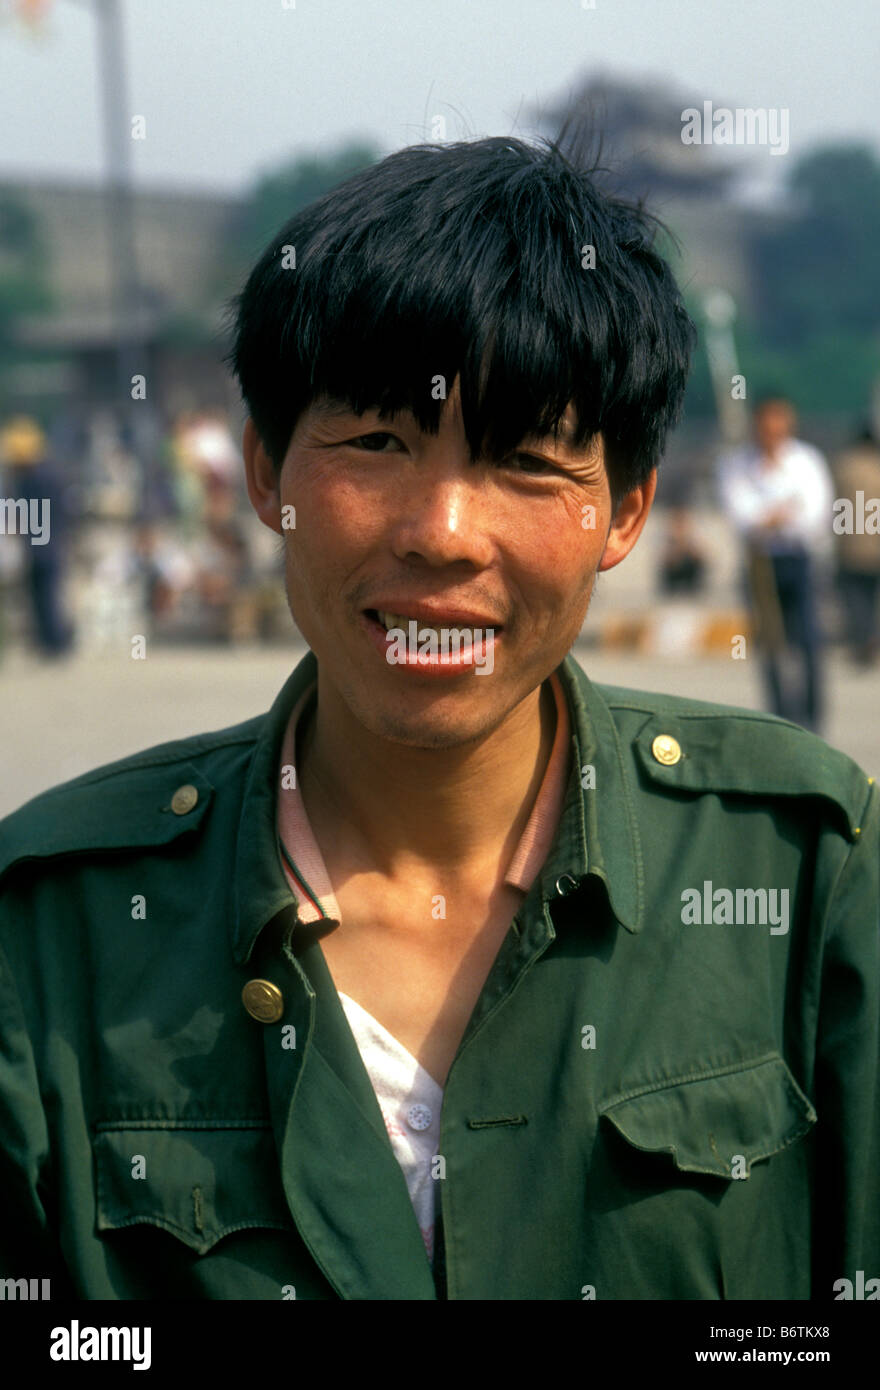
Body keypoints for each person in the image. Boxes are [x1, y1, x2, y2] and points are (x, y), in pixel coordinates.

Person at [0, 137, 876, 1302]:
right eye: (376, 444)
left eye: (524, 460)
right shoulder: (54, 928)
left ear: (626, 510)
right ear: (266, 475)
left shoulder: (803, 868)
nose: (444, 531)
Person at [717, 397, 833, 733]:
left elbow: (814, 515)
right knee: (770, 646)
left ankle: (813, 720)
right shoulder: (736, 464)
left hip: (800, 559)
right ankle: (780, 721)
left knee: (810, 642)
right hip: (761, 563)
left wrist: (770, 518)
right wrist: (780, 513)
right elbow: (741, 516)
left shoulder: (806, 461)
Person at [832, 424, 880, 664]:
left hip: (849, 546)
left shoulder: (843, 467)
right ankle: (871, 636)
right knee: (871, 598)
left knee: (854, 600)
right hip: (875, 546)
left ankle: (862, 639)